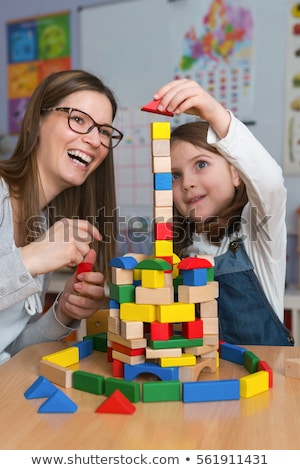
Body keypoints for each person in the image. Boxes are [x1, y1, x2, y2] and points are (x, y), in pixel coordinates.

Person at [153, 78, 294, 346]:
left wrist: (213, 112)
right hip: (199, 382)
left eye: (201, 164)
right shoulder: (177, 250)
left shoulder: (257, 232)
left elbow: (271, 182)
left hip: (260, 383)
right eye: (175, 175)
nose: (187, 183)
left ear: (235, 173)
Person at [0, 69, 123, 364]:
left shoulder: (41, 224)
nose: (95, 140)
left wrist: (63, 312)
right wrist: (29, 260)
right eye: (79, 119)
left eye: (104, 131)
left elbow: (12, 351)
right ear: (37, 121)